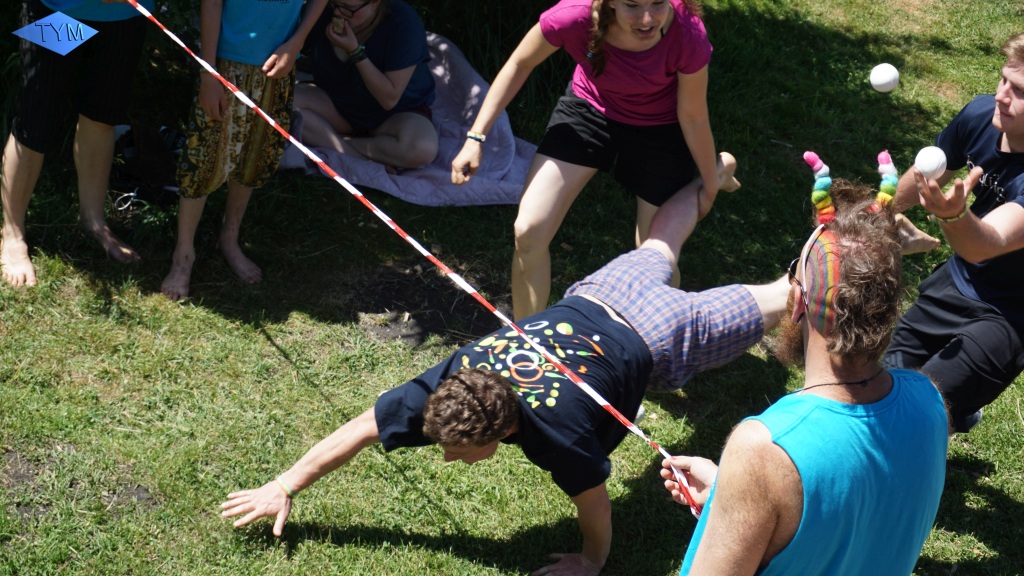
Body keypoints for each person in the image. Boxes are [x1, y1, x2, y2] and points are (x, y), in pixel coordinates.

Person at [221, 154, 788, 575]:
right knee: (661, 243)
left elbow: (596, 503)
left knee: (779, 300)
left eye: (456, 450)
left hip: (663, 336)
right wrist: (286, 485)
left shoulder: (558, 434)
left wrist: (592, 563)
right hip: (600, 293)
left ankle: (841, 261)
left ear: (499, 433)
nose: (447, 456)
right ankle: (712, 171)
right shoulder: (455, 379)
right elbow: (363, 428)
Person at [661, 177, 948, 575]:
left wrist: (747, 484)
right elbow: (847, 518)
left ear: (797, 302)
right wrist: (731, 498)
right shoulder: (930, 402)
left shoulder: (764, 451)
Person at [450, 0, 730, 320]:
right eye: (632, 5)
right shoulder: (573, 16)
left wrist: (709, 183)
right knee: (529, 229)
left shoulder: (687, 31)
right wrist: (476, 138)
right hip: (590, 111)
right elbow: (520, 64)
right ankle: (527, 342)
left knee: (655, 259)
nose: (648, 18)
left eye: (657, 3)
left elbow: (693, 116)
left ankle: (663, 350)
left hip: (660, 127)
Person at [884, 32, 1024, 433]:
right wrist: (881, 210)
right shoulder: (981, 116)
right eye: (1003, 80)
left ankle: (950, 410)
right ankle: (959, 407)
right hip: (958, 283)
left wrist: (952, 216)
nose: (1001, 96)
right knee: (876, 386)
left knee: (915, 417)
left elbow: (986, 244)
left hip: (1009, 316)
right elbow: (933, 170)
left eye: (1018, 91)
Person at [159, 0, 329, 301]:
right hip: (226, 65)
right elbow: (211, 3)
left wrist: (297, 40)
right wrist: (208, 73)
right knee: (204, 159)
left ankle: (230, 239)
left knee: (254, 156)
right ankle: (183, 256)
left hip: (278, 66)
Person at [1, 0, 153, 288]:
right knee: (37, 119)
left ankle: (93, 221)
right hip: (60, 11)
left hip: (125, 16)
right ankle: (12, 232)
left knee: (101, 117)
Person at [291, 0, 438, 172]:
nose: (338, 13)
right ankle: (355, 155)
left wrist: (355, 51)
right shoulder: (323, 13)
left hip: (395, 114)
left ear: (375, 3)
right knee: (282, 102)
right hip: (339, 105)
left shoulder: (402, 23)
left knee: (422, 148)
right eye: (335, 4)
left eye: (348, 9)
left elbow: (389, 99)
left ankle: (334, 140)